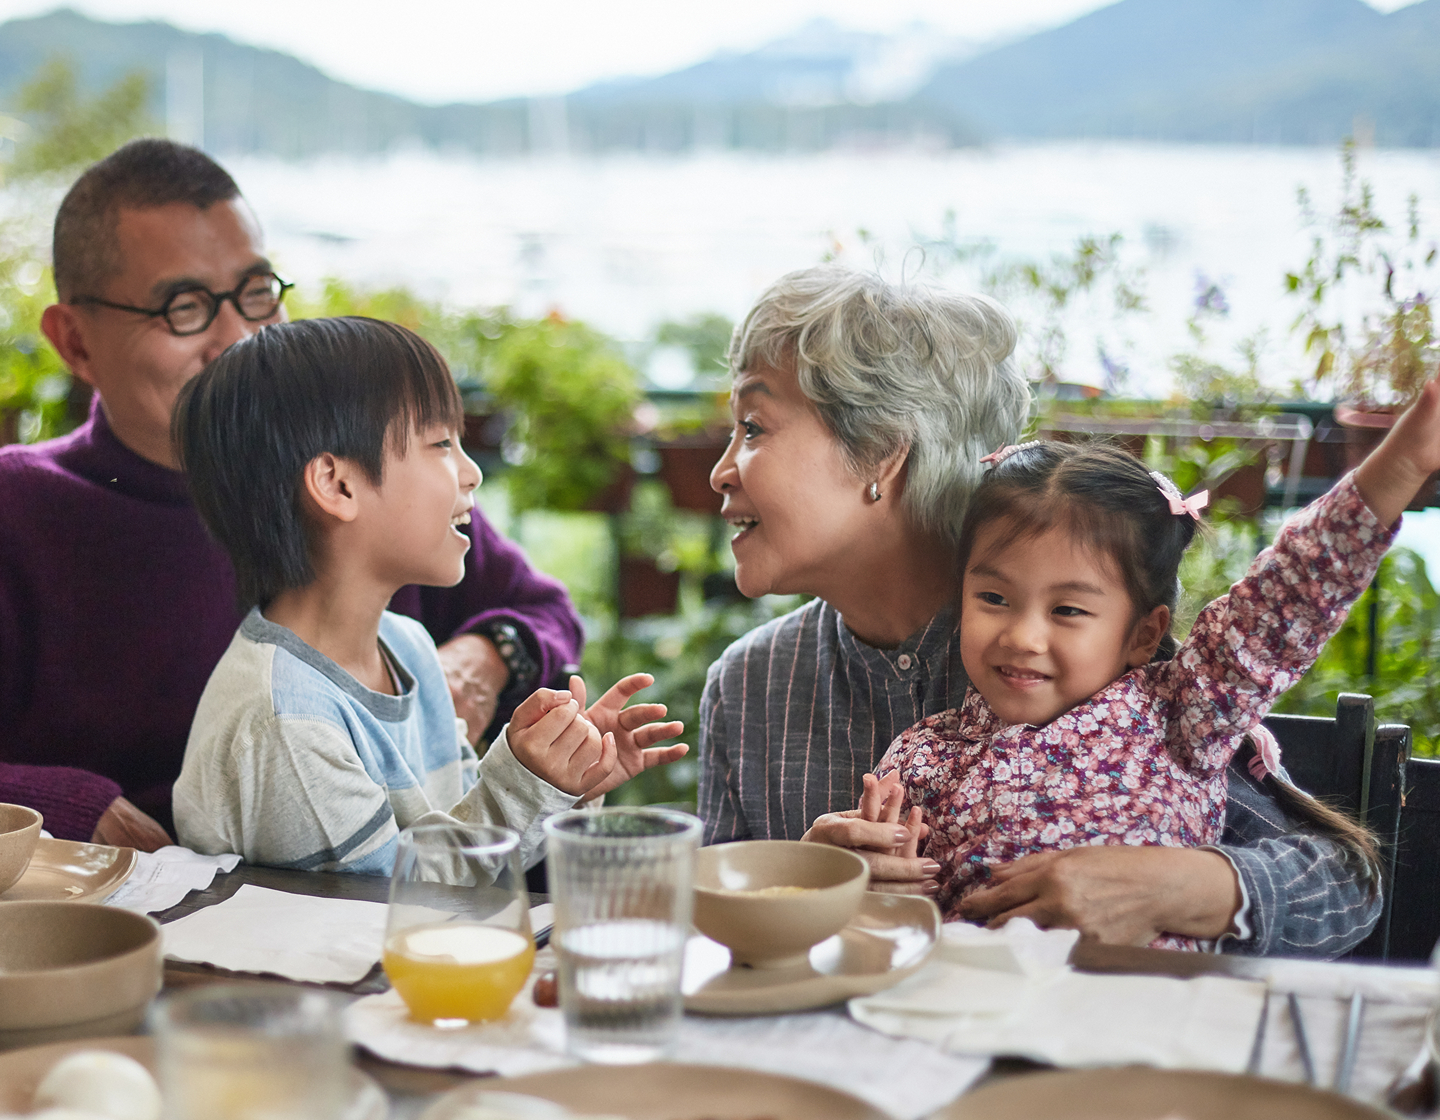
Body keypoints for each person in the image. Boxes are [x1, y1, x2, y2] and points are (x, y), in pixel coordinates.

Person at [698, 263, 1382, 956]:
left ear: (881, 453)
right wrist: (807, 886)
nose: (721, 470)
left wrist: (1185, 888)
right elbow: (722, 950)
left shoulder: (1088, 661)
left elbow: (1347, 889)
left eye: (753, 428)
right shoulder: (748, 685)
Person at [0, 139, 586, 851]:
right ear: (75, 341)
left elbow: (545, 611)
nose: (239, 335)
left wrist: (482, 659)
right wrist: (63, 805)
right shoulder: (19, 510)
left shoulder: (368, 478)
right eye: (184, 307)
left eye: (255, 293)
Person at [868, 428, 1426, 940]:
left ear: (1143, 633)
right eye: (993, 598)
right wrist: (869, 884)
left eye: (1067, 609)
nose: (1022, 636)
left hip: (1148, 1029)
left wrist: (1401, 465)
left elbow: (1286, 597)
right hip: (971, 1024)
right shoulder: (921, 755)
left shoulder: (1182, 713)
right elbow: (901, 920)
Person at [170, 316, 686, 872]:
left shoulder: (408, 644)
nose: (471, 474)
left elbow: (467, 848)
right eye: (441, 443)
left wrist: (566, 782)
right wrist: (524, 785)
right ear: (337, 485)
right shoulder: (287, 723)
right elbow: (397, 913)